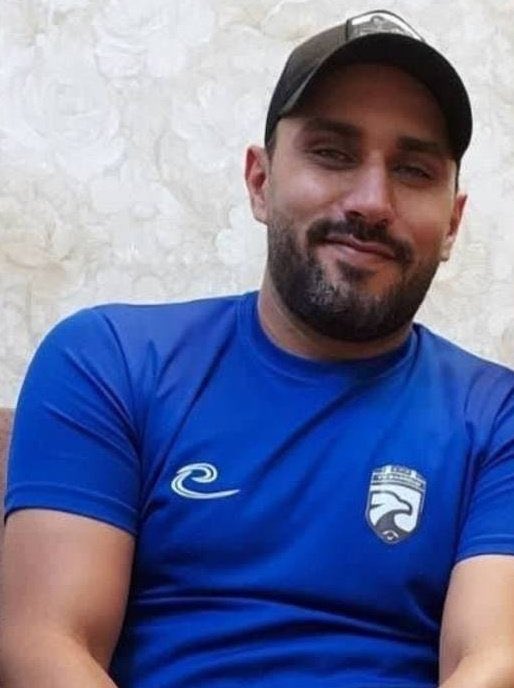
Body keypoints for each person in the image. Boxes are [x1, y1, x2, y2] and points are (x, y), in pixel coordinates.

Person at [2, 8, 514, 688]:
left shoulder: (497, 416)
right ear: (260, 181)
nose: (371, 201)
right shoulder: (108, 360)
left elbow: (491, 661)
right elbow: (45, 644)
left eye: (414, 169)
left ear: (451, 224)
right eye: (332, 153)